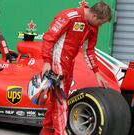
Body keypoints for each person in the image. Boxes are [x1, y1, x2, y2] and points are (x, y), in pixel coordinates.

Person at [41, 1, 111, 135]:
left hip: (69, 64)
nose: (100, 26)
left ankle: (46, 132)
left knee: (56, 100)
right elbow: (49, 38)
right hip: (57, 61)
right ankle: (60, 132)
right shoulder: (69, 16)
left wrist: (97, 72)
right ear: (95, 16)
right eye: (101, 23)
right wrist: (46, 61)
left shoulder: (93, 27)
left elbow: (89, 50)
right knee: (60, 101)